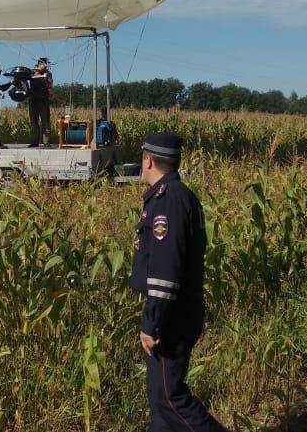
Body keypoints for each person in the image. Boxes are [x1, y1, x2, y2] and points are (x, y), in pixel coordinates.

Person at [130, 133, 227, 432]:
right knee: (160, 402)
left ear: (148, 160)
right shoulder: (180, 195)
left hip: (172, 315)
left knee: (168, 398)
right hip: (181, 309)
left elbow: (164, 271)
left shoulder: (167, 202)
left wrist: (152, 322)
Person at [28, 57, 53, 147]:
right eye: (45, 64)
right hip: (33, 100)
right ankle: (34, 142)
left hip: (43, 100)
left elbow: (49, 84)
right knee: (34, 122)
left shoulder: (48, 73)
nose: (47, 66)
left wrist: (44, 76)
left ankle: (46, 142)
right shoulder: (31, 72)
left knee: (45, 121)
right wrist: (37, 72)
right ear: (40, 63)